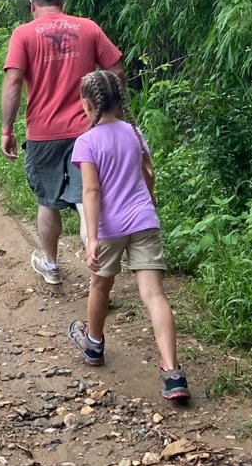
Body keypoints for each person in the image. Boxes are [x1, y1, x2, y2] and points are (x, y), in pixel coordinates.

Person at [67, 69, 189, 401]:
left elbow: (91, 191)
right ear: (119, 101)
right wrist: (147, 201)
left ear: (87, 104)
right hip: (143, 221)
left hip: (109, 227)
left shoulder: (87, 142)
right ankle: (172, 371)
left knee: (100, 285)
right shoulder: (134, 132)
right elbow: (148, 173)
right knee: (154, 294)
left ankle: (93, 344)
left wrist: (92, 238)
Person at [0, 0, 123, 285]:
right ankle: (98, 276)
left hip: (43, 132)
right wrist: (101, 111)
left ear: (32, 5)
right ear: (62, 1)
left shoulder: (24, 34)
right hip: (88, 131)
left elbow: (13, 81)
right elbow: (116, 70)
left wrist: (6, 129)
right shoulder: (88, 28)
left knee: (47, 201)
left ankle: (51, 265)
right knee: (86, 202)